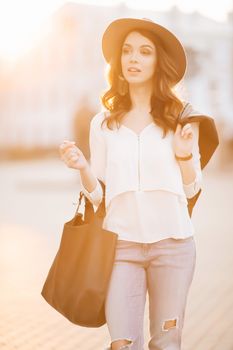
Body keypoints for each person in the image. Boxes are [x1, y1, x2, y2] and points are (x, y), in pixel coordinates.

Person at [59, 18, 219, 350]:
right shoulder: (102, 123)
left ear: (159, 61)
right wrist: (83, 167)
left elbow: (192, 190)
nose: (133, 59)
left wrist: (186, 155)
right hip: (121, 249)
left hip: (173, 248)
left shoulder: (183, 118)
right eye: (127, 51)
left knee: (166, 342)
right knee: (123, 344)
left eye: (144, 52)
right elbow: (98, 196)